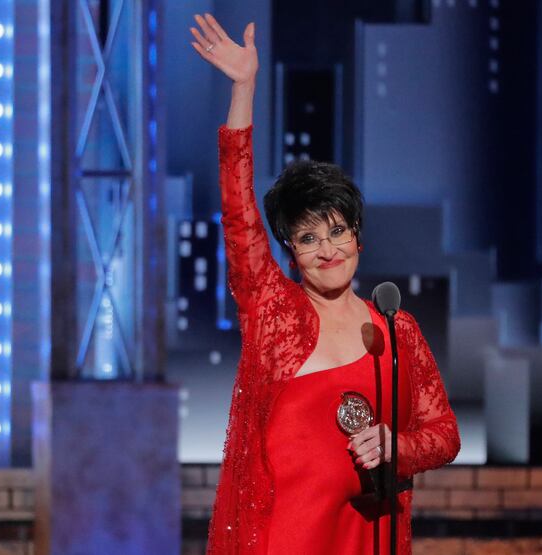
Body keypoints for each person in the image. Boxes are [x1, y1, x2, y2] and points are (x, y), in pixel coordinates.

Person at [189, 13, 460, 555]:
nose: (328, 249)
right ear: (291, 251)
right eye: (309, 239)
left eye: (338, 231)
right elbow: (239, 209)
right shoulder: (271, 309)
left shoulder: (394, 327)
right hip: (283, 539)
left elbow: (444, 434)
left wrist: (396, 445)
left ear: (359, 237)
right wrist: (244, 87)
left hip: (367, 537)